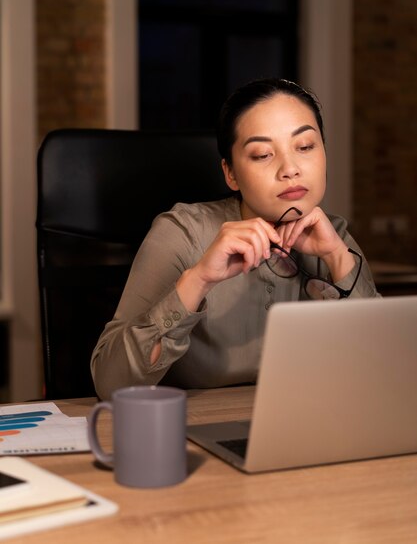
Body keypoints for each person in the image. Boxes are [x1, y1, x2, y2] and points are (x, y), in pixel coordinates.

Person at [91, 77, 379, 400]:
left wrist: (338, 257)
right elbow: (110, 384)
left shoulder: (334, 235)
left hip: (305, 433)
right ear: (230, 173)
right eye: (262, 154)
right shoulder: (182, 233)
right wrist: (198, 279)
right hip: (192, 433)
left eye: (305, 146)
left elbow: (386, 376)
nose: (290, 169)